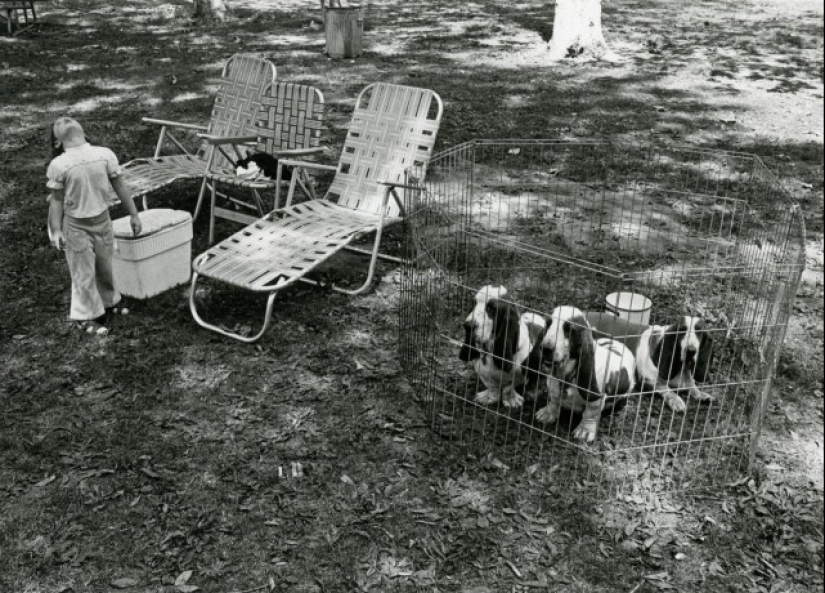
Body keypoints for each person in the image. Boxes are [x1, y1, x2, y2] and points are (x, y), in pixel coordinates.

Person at [47, 116, 143, 336]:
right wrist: (56, 230)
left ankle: (110, 301)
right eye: (60, 122)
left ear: (84, 133)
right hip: (76, 227)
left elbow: (120, 186)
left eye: (69, 117)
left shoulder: (104, 154)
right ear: (57, 142)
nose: (65, 118)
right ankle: (85, 315)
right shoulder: (59, 164)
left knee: (104, 265)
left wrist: (134, 214)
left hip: (103, 222)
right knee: (83, 272)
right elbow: (57, 200)